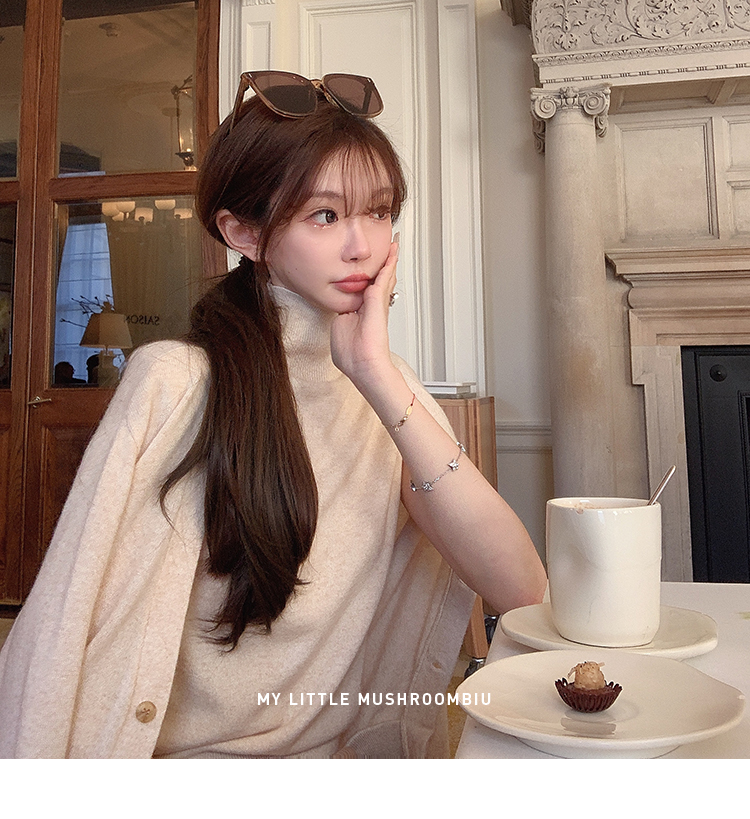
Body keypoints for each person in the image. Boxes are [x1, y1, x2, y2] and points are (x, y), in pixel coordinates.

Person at [0, 71, 546, 759]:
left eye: (379, 212)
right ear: (246, 233)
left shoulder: (388, 389)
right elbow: (63, 621)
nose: (363, 245)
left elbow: (520, 589)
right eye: (325, 216)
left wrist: (376, 374)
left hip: (340, 769)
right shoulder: (176, 381)